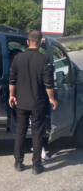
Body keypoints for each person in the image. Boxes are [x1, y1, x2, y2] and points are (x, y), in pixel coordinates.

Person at [9, 30, 58, 175]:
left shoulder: (18, 58)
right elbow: (48, 83)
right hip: (38, 103)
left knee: (20, 132)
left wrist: (12, 95)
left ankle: (18, 162)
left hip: (22, 102)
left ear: (28, 42)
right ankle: (36, 166)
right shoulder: (44, 59)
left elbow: (12, 80)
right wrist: (51, 98)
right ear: (41, 42)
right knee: (37, 133)